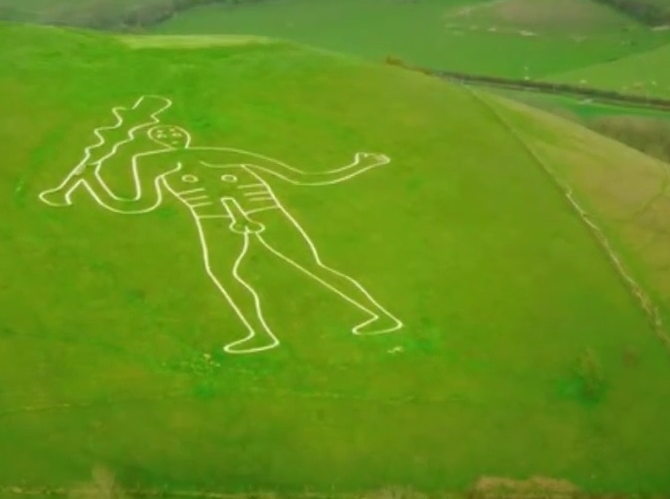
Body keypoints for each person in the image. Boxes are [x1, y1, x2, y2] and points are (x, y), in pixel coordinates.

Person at [40, 112, 402, 354]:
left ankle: (379, 315)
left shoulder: (221, 152)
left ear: (183, 134)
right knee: (224, 274)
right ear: (153, 141)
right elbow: (136, 204)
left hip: (265, 212)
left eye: (171, 131)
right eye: (160, 133)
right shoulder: (150, 162)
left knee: (311, 265)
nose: (168, 135)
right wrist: (91, 182)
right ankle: (259, 333)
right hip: (213, 220)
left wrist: (359, 165)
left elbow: (301, 177)